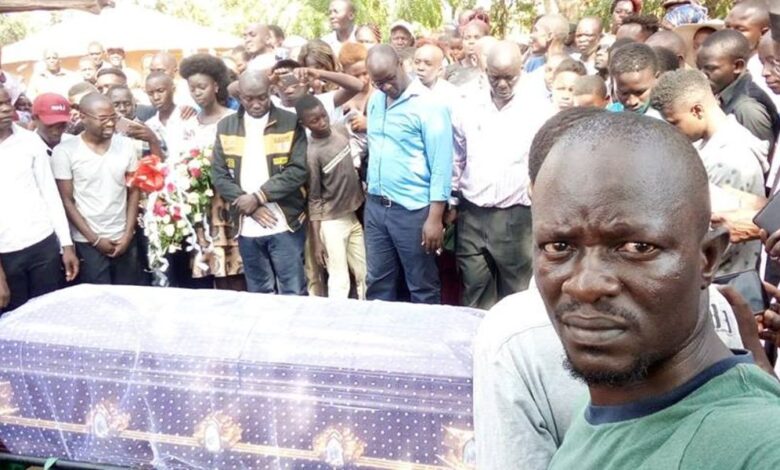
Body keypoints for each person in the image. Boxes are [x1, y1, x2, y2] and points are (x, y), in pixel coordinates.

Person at [472, 107, 770, 470]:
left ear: (706, 258)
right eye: (559, 246)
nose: (585, 285)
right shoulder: (615, 407)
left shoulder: (757, 446)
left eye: (637, 248)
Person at [450, 42, 540, 310]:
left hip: (515, 218)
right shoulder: (467, 105)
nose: (502, 84)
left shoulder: (537, 109)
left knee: (517, 296)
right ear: (484, 71)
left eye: (509, 77)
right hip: (471, 215)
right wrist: (452, 201)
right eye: (495, 77)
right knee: (474, 292)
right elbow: (457, 155)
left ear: (521, 71)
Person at [651, 69, 767, 276]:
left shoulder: (731, 159)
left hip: (725, 277)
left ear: (696, 110)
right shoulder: (706, 145)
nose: (673, 131)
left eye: (674, 122)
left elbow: (718, 236)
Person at [364, 45, 453, 304]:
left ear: (401, 65)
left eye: (389, 79)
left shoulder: (429, 105)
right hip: (376, 207)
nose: (386, 87)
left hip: (413, 211)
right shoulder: (376, 100)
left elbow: (441, 165)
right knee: (378, 283)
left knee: (421, 285)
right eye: (378, 82)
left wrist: (435, 218)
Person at [211, 70, 308, 295]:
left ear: (270, 91)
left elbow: (298, 170)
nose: (256, 104)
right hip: (247, 223)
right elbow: (219, 174)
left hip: (284, 220)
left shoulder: (290, 122)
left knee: (293, 290)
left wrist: (258, 197)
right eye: (248, 99)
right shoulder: (225, 126)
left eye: (262, 97)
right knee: (259, 293)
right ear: (240, 96)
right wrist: (249, 205)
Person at [0, 86, 78, 314]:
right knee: (12, 322)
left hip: (42, 245)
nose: (6, 109)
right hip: (5, 255)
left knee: (49, 315)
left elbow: (50, 194)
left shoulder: (29, 141)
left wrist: (66, 245)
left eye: (7, 102)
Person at [51, 92, 141, 286]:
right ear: (83, 117)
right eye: (103, 119)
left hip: (123, 237)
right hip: (88, 241)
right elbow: (67, 200)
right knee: (98, 298)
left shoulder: (126, 145)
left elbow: (134, 191)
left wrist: (128, 234)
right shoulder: (64, 152)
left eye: (113, 117)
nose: (110, 123)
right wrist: (95, 240)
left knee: (130, 294)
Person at [179, 53, 244, 291]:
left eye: (202, 87)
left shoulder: (233, 119)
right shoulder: (188, 124)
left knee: (235, 270)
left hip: (228, 202)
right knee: (208, 269)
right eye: (192, 88)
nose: (197, 92)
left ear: (216, 86)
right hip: (201, 205)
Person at [296, 95, 367, 299]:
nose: (322, 122)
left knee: (365, 273)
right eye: (314, 121)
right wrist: (317, 240)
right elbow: (314, 198)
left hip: (352, 216)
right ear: (304, 124)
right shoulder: (312, 153)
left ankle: (367, 311)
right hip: (331, 222)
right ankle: (337, 315)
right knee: (339, 279)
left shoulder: (340, 130)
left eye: (323, 116)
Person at [698, 29, 779, 154]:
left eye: (711, 69)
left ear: (737, 66)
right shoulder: (724, 96)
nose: (703, 76)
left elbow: (762, 159)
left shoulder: (747, 108)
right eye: (700, 68)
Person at [607, 42, 661, 115]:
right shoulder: (610, 115)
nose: (632, 102)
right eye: (624, 93)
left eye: (639, 92)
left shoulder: (668, 116)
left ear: (657, 79)